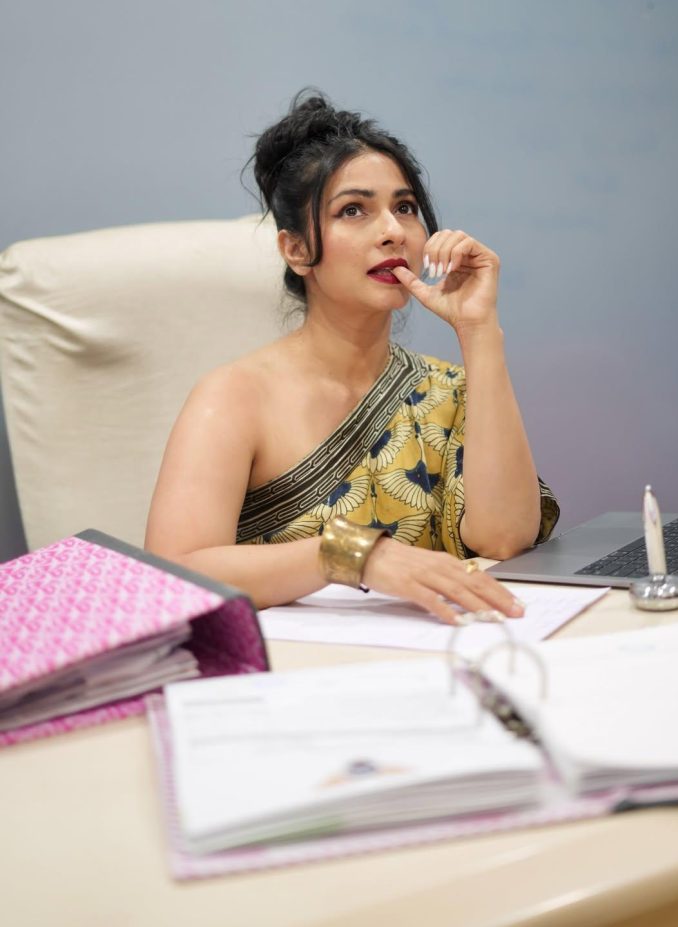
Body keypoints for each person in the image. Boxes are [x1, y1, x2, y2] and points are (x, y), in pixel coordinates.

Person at [145, 91, 559, 624]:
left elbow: (505, 540)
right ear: (297, 250)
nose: (393, 231)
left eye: (405, 208)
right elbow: (174, 571)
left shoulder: (450, 388)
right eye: (353, 210)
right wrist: (354, 554)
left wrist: (479, 332)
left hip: (445, 652)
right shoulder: (234, 397)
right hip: (297, 664)